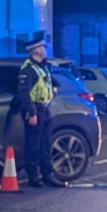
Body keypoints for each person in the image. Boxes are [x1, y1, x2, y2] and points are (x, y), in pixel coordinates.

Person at [14, 36, 63, 187]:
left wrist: (53, 90)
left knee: (45, 144)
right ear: (37, 50)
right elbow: (24, 93)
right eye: (43, 47)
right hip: (35, 110)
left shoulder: (43, 67)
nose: (46, 50)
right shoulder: (28, 69)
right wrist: (32, 113)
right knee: (33, 145)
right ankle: (33, 176)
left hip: (45, 109)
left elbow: (52, 83)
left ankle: (47, 174)